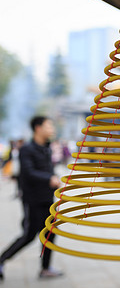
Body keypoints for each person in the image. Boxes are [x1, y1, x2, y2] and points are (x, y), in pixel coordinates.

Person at [0, 116, 63, 281]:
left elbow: (47, 169)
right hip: (33, 200)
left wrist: (54, 178)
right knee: (29, 235)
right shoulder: (27, 149)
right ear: (38, 128)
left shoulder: (47, 148)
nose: (52, 129)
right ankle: (1, 260)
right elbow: (28, 172)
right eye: (49, 126)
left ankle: (45, 268)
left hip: (47, 199)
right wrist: (48, 178)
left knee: (50, 233)